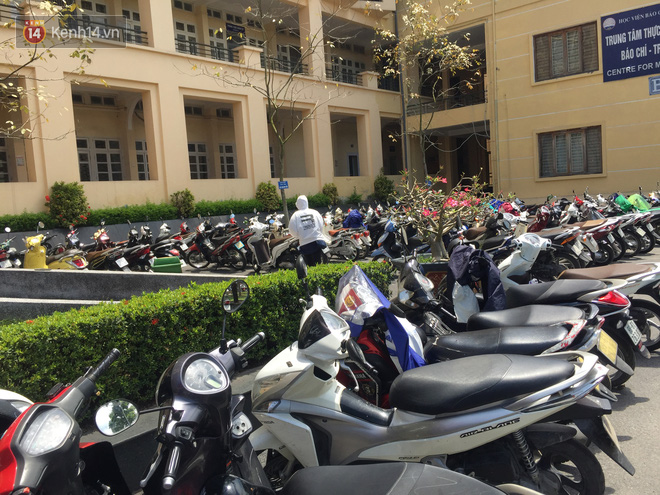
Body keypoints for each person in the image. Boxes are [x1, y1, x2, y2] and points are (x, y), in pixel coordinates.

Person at [289, 195, 327, 266]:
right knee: (318, 263)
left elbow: (292, 230)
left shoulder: (295, 215)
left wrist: (299, 236)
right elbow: (321, 225)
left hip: (305, 244)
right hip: (318, 241)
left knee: (309, 264)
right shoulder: (315, 212)